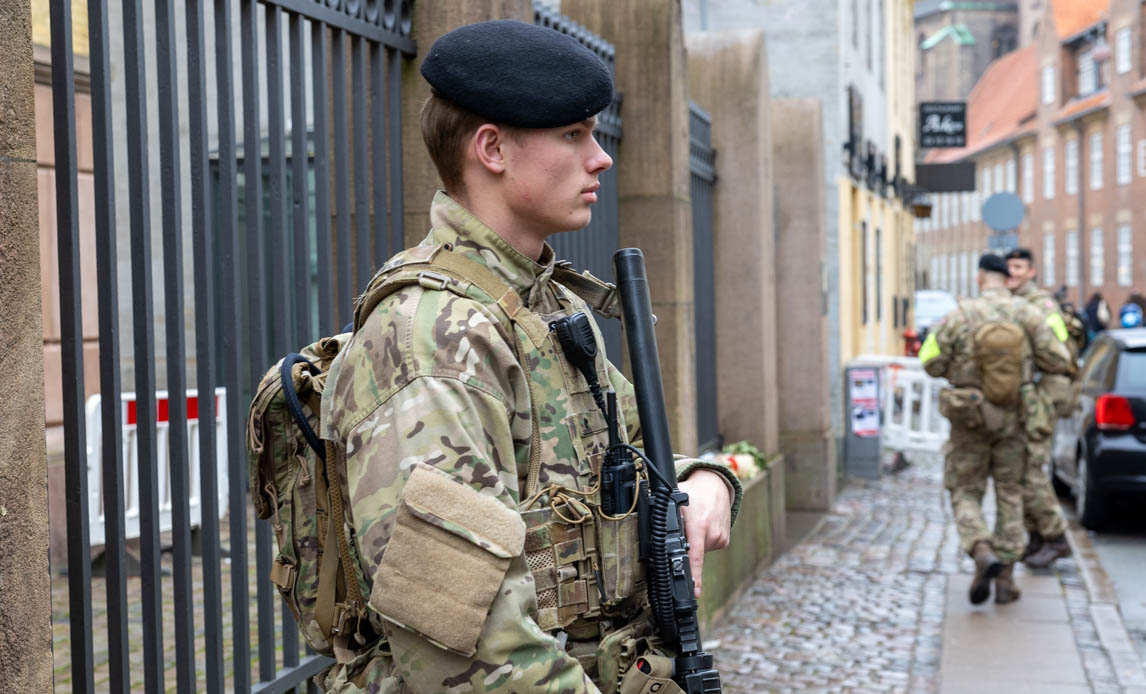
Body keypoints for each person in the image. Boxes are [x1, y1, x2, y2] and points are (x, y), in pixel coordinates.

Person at [317, 20, 741, 693]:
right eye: (573, 135)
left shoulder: (541, 307)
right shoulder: (435, 338)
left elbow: (621, 467)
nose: (600, 158)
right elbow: (466, 646)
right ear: (492, 149)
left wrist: (710, 481)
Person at [920, 254, 1072, 605]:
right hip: (1014, 419)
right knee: (1010, 493)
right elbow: (1059, 359)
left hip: (968, 421)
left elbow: (930, 360)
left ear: (978, 279)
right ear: (1006, 279)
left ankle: (980, 546)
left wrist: (961, 369)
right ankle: (1005, 577)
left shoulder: (959, 315)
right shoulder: (1028, 314)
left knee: (965, 490)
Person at [1004, 248, 1076, 568]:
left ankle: (1056, 537)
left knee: (1032, 469)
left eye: (1018, 267)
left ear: (1032, 271)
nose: (1012, 273)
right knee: (1021, 468)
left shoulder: (1041, 305)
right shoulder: (1014, 303)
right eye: (1009, 268)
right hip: (1028, 395)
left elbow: (1057, 351)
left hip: (1043, 394)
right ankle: (1036, 538)